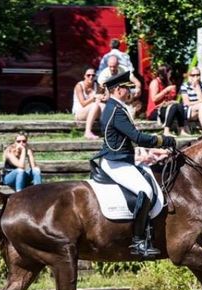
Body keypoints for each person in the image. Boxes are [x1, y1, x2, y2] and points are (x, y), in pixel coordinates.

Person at [95, 71, 176, 257]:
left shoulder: (116, 107)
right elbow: (137, 138)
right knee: (145, 191)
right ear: (118, 90)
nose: (130, 91)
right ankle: (139, 241)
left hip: (121, 159)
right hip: (116, 162)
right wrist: (164, 140)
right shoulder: (116, 110)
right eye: (127, 88)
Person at [146, 64, 188, 137]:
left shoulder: (167, 82)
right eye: (169, 74)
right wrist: (166, 90)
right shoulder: (155, 82)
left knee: (179, 105)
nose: (170, 76)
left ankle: (182, 130)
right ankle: (166, 131)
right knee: (174, 107)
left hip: (165, 108)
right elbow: (154, 98)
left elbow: (168, 99)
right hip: (154, 111)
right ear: (164, 73)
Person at [72, 67, 106, 140]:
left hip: (93, 112)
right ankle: (87, 132)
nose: (91, 77)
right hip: (79, 113)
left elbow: (102, 100)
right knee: (95, 105)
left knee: (103, 105)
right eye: (88, 75)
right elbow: (83, 103)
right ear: (84, 76)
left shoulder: (97, 85)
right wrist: (94, 97)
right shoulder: (79, 86)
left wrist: (103, 97)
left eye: (93, 75)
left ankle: (108, 130)